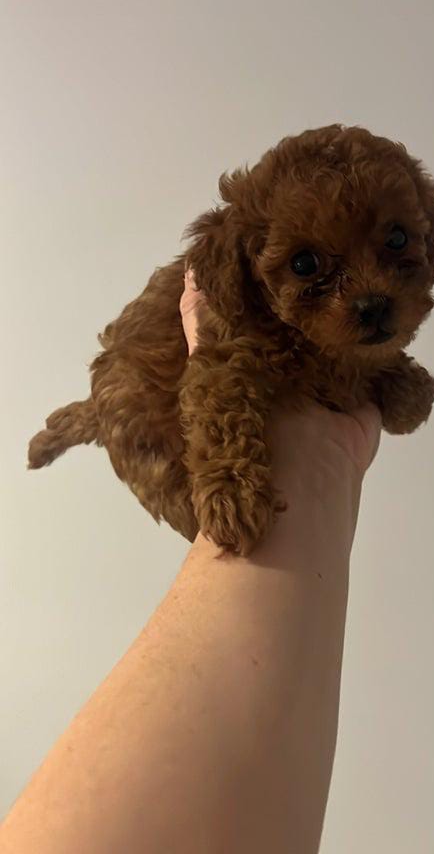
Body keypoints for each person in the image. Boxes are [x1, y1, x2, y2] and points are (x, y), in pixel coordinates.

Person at [0, 271, 382, 854]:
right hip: (150, 415)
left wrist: (326, 445)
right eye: (308, 266)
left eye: (395, 245)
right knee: (234, 522)